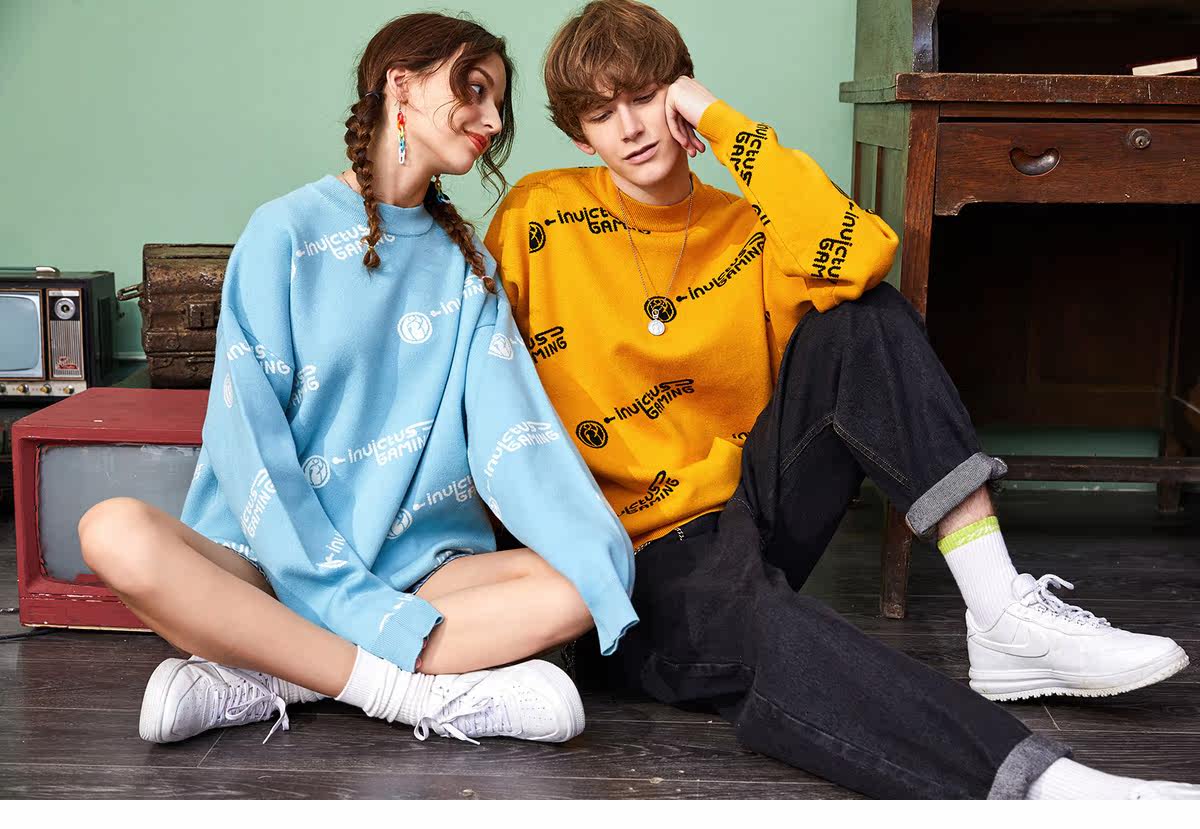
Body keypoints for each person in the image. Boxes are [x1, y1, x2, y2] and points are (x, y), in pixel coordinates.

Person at [483, 0, 1197, 799]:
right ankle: (1046, 788)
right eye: (601, 114)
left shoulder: (749, 228)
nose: (630, 128)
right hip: (628, 561)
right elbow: (472, 387)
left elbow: (863, 254)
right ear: (581, 135)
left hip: (749, 508)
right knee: (773, 631)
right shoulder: (539, 214)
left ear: (678, 94)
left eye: (646, 97)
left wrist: (716, 118)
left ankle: (1000, 607)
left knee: (862, 315)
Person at [76, 12, 638, 749]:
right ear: (401, 83)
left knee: (582, 580)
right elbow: (249, 440)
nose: (493, 121)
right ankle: (406, 694)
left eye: (499, 103)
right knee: (113, 532)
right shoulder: (284, 232)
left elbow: (516, 436)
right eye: (474, 90)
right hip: (267, 566)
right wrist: (334, 590)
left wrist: (600, 554)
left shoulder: (469, 267)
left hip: (415, 574)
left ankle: (276, 672)